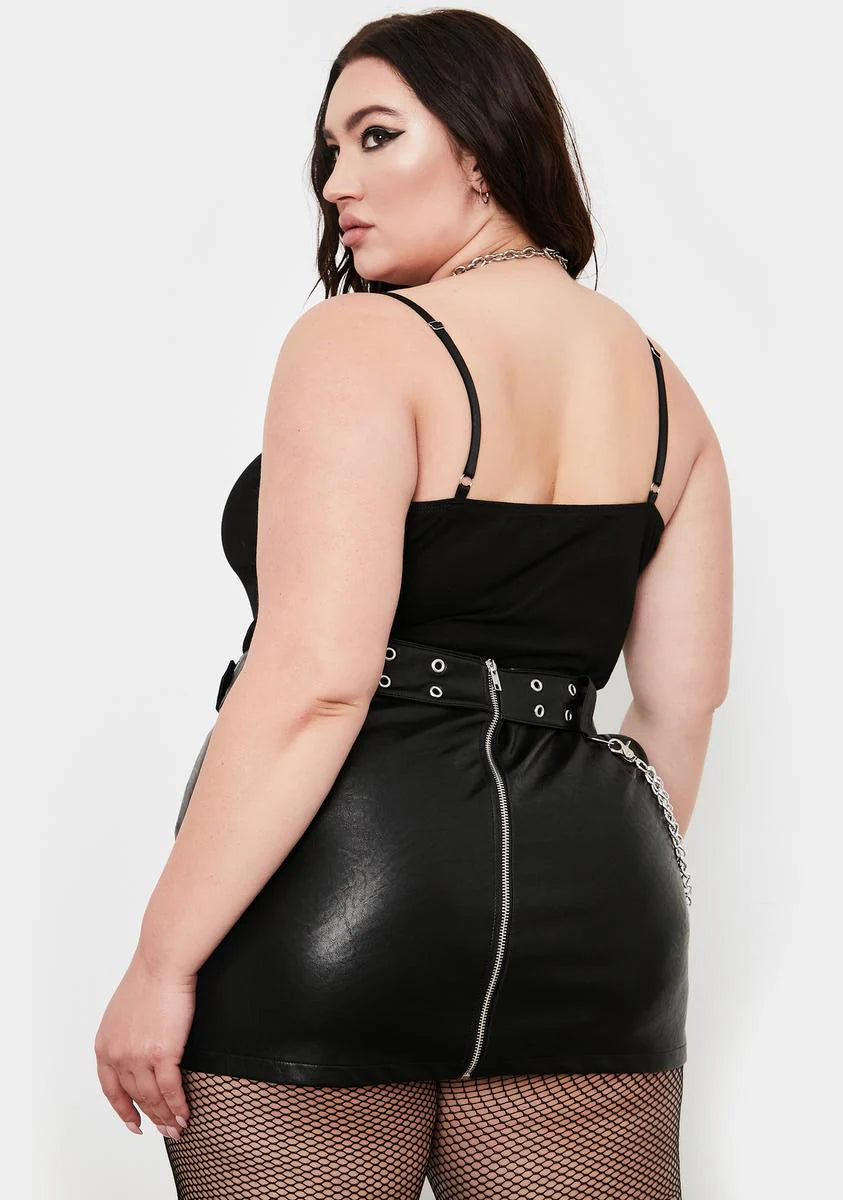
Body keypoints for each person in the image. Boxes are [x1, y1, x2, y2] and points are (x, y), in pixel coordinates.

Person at [94, 10, 732, 1198]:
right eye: (330, 150)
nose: (338, 182)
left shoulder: (360, 344)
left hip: (345, 889)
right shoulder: (670, 394)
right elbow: (681, 714)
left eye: (377, 136)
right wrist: (582, 882)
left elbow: (317, 681)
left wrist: (161, 960)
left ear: (482, 149)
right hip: (602, 913)